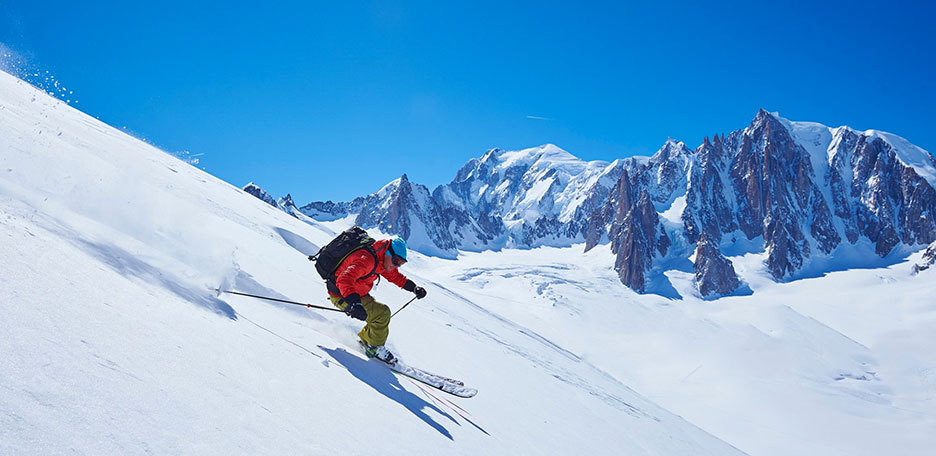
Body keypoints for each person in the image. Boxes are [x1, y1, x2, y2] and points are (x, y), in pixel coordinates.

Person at [328, 237, 426, 364]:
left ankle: (367, 341)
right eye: (396, 261)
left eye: (401, 263)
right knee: (382, 313)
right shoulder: (366, 260)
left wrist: (414, 288)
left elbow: (395, 276)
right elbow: (344, 279)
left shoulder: (381, 261)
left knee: (380, 314)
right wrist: (355, 303)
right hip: (342, 295)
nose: (395, 266)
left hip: (358, 293)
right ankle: (373, 347)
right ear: (387, 252)